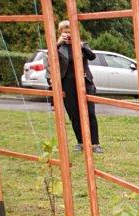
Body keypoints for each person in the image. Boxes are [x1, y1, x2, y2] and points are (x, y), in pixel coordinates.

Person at [51, 20, 102, 154]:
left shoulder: (82, 45)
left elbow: (92, 56)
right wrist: (57, 44)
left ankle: (95, 144)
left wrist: (80, 45)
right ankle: (80, 142)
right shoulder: (59, 47)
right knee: (74, 115)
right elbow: (51, 60)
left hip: (85, 82)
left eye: (70, 32)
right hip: (67, 84)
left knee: (90, 113)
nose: (68, 35)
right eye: (65, 32)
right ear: (60, 33)